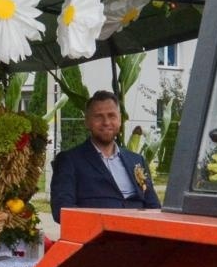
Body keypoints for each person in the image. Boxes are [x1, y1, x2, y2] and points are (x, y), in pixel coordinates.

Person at [49, 91, 162, 222]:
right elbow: (62, 210)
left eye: (111, 116)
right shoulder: (69, 161)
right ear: (87, 122)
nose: (106, 122)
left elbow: (154, 207)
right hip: (97, 232)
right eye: (98, 117)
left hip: (139, 231)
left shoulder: (137, 160)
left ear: (120, 120)